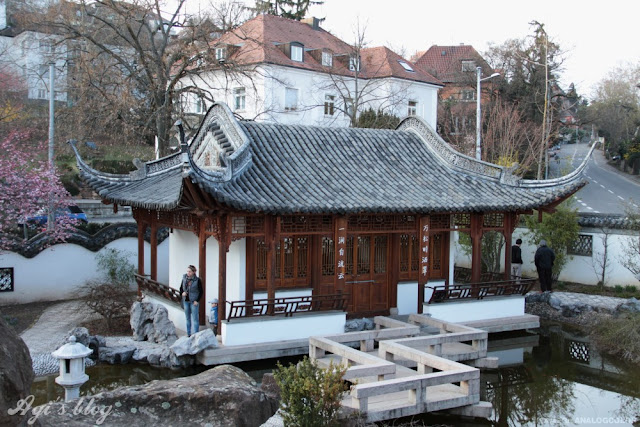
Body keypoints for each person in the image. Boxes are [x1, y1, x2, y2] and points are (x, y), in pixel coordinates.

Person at [179, 264, 202, 336]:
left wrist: (197, 300)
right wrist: (182, 293)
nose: (188, 273)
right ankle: (188, 333)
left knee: (195, 318)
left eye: (189, 271)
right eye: (187, 271)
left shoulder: (197, 280)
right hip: (186, 301)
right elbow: (181, 288)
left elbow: (201, 291)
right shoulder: (184, 278)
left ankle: (196, 334)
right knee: (187, 318)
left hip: (193, 301)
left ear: (193, 272)